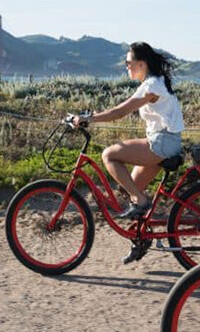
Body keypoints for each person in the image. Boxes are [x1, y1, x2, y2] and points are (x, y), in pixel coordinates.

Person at [74, 42, 184, 262]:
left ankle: (142, 201)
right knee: (130, 190)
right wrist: (96, 114)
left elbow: (121, 111)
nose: (126, 67)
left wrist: (90, 119)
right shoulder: (152, 82)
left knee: (109, 155)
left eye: (128, 63)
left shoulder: (152, 85)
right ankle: (141, 239)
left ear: (141, 64)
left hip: (162, 142)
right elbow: (120, 108)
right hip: (163, 141)